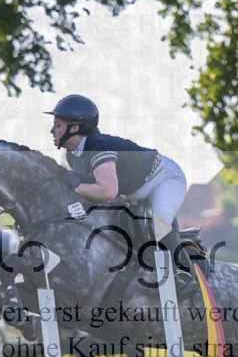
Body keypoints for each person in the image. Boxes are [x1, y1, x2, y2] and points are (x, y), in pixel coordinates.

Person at [47, 94, 198, 291]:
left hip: (164, 179)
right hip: (134, 190)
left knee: (159, 222)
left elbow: (108, 191)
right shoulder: (73, 155)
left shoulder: (98, 147)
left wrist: (76, 187)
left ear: (75, 128)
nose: (52, 130)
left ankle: (181, 275)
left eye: (58, 125)